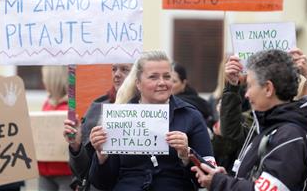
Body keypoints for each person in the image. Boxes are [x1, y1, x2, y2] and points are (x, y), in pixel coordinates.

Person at [192, 49, 307, 191]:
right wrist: (226, 179)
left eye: (250, 85)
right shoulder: (274, 129)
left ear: (268, 89)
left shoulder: (289, 137)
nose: (246, 94)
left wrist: (220, 182)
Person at [88, 50, 214, 191]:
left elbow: (208, 178)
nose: (162, 83)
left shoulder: (190, 116)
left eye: (167, 77)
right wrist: (102, 155)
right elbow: (102, 183)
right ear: (138, 83)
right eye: (153, 77)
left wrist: (187, 154)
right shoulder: (120, 116)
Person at [63, 63, 132, 190]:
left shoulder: (152, 109)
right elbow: (84, 171)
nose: (116, 74)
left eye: (124, 69)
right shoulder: (98, 107)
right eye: (114, 69)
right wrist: (76, 145)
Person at [40, 66, 72, 191]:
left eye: (44, 78)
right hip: (45, 171)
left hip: (65, 172)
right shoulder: (47, 104)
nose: (43, 82)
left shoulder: (70, 107)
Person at [171, 62, 214, 129]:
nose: (169, 84)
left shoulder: (189, 104)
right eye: (167, 79)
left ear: (184, 83)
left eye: (174, 81)